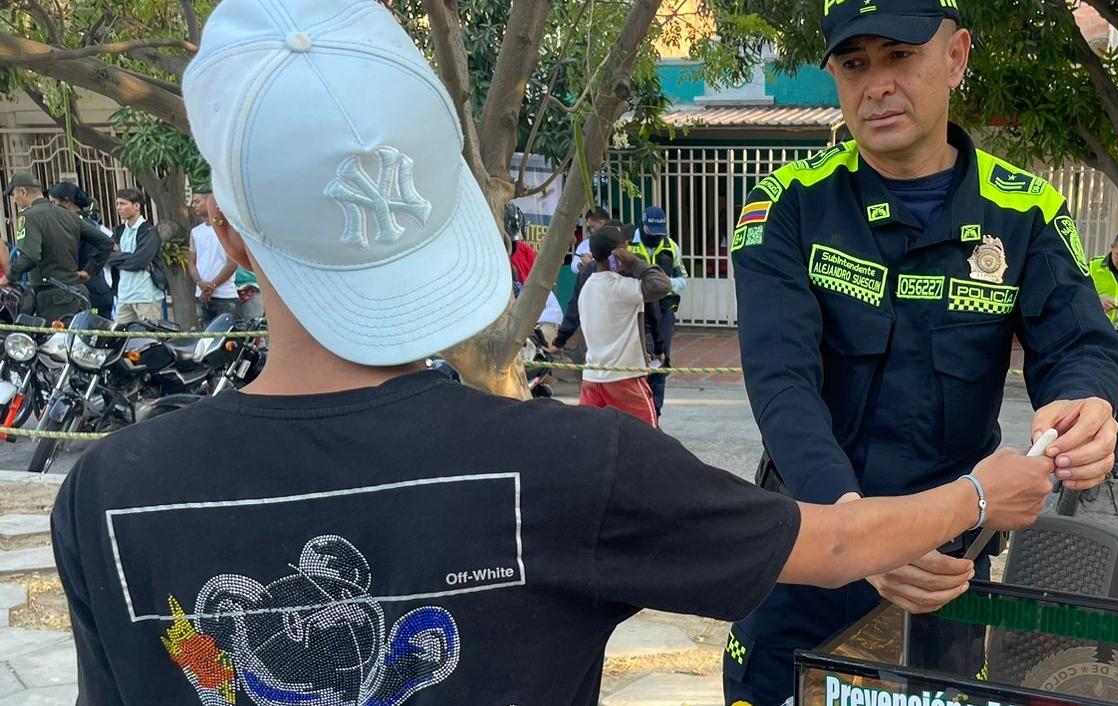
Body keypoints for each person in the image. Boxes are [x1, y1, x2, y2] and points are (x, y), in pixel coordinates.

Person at [50, 3, 1062, 705]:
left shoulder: (106, 492)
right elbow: (832, 547)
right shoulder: (572, 466)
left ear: (223, 225)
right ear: (449, 206)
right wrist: (983, 494)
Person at [725, 2, 1118, 703]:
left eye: (900, 55)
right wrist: (858, 534)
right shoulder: (788, 204)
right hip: (811, 542)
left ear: (957, 57)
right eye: (855, 64)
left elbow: (1078, 347)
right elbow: (783, 383)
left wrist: (1086, 406)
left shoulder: (1024, 212)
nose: (877, 84)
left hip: (948, 566)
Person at [567, 223, 670, 426]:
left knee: (593, 439)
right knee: (648, 439)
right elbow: (662, 285)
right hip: (624, 379)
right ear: (619, 253)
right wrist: (635, 264)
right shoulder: (622, 288)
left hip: (592, 379)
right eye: (626, 247)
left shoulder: (587, 287)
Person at [0, 172, 114, 321]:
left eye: (14, 194)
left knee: (54, 344)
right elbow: (106, 242)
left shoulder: (28, 217)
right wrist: (89, 271)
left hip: (52, 299)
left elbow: (30, 256)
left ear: (23, 191)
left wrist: (8, 277)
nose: (14, 200)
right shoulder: (68, 214)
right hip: (78, 295)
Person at [630, 206, 688, 415]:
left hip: (663, 311)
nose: (656, 237)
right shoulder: (629, 245)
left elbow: (683, 279)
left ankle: (655, 412)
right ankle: (638, 409)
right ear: (643, 226)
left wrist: (665, 283)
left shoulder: (671, 247)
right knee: (636, 359)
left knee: (660, 360)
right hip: (635, 311)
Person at [48, 182, 115, 316]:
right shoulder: (81, 221)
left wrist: (88, 271)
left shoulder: (77, 223)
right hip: (90, 290)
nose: (52, 208)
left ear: (67, 202)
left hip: (90, 291)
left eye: (53, 203)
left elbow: (106, 244)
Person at [107, 188, 167, 325]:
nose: (118, 208)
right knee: (120, 340)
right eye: (117, 204)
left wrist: (120, 257)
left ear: (136, 206)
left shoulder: (149, 231)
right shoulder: (119, 231)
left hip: (146, 296)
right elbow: (106, 256)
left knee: (149, 340)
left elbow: (138, 261)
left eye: (123, 204)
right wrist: (130, 257)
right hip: (124, 295)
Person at [186, 186, 241, 322]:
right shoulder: (195, 232)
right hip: (201, 296)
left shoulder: (229, 229)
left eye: (197, 202)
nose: (193, 206)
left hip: (225, 296)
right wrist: (200, 283)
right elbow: (191, 261)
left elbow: (232, 263)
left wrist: (211, 287)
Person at [570, 207, 608, 274]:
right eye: (589, 227)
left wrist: (591, 264)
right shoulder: (585, 244)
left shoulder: (614, 241)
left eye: (593, 226)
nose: (591, 230)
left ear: (602, 222)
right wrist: (582, 264)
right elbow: (573, 267)